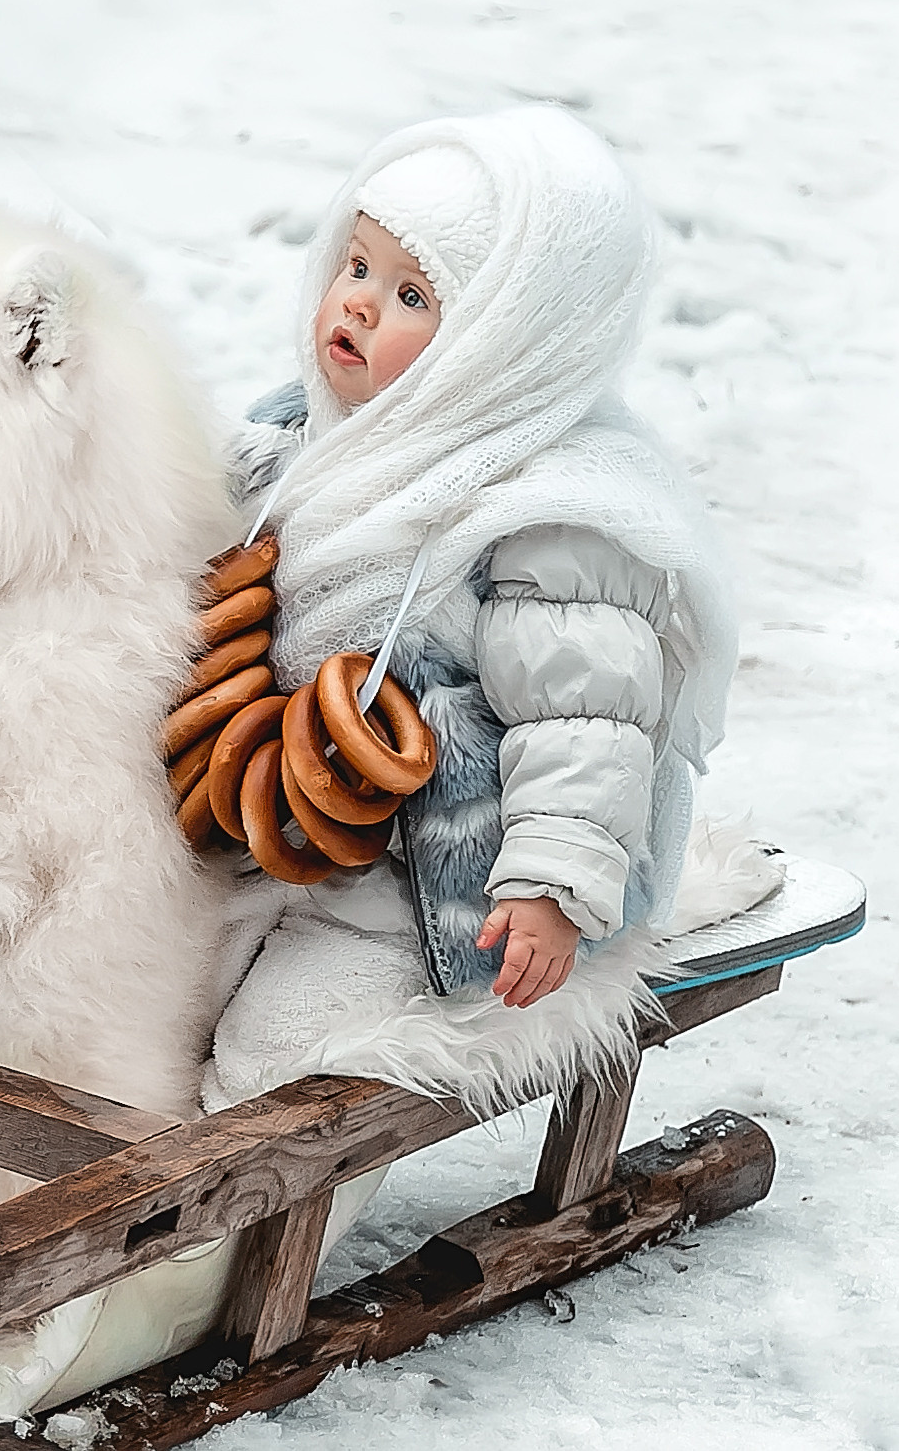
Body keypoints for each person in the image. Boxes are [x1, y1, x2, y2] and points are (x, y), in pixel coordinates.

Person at [205, 105, 738, 1123]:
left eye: (409, 293)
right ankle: (126, 1168)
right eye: (354, 266)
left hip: (442, 876)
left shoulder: (552, 514)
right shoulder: (299, 434)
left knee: (279, 1041)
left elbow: (585, 719)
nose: (354, 306)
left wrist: (549, 886)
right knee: (167, 981)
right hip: (286, 818)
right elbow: (171, 513)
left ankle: (228, 1235)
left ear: (507, 341)